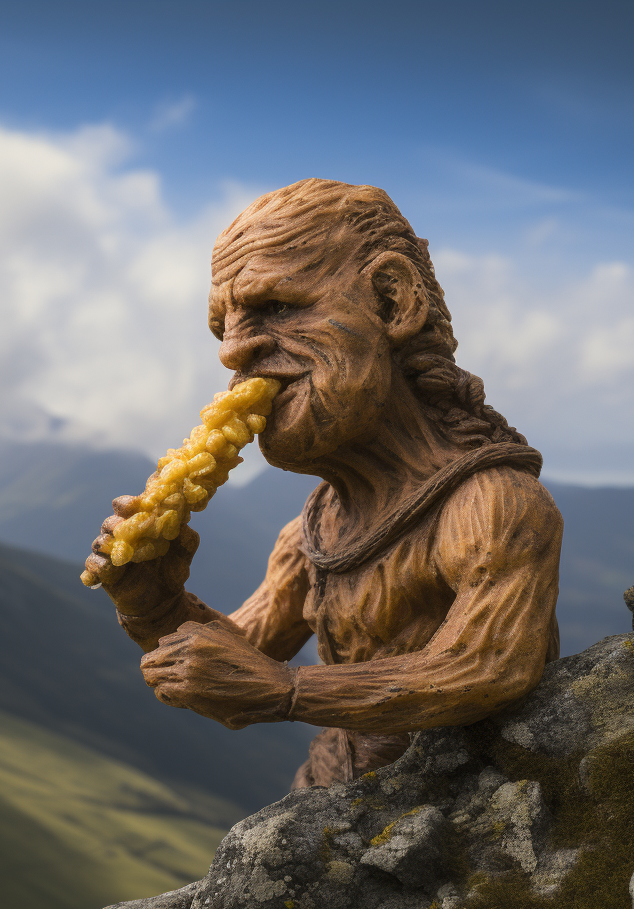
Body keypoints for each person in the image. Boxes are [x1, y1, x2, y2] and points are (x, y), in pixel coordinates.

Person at [84, 179, 563, 788]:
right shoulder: (308, 535)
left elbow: (488, 665)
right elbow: (241, 658)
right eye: (221, 328)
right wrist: (151, 601)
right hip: (334, 798)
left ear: (392, 303)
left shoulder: (491, 503)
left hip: (478, 802)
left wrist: (289, 691)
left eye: (278, 308)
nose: (233, 352)